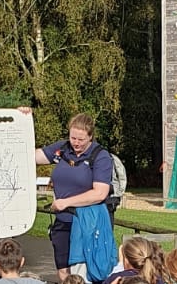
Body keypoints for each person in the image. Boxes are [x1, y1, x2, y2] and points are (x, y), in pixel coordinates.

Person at [29, 111, 114, 273]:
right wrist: (22, 121)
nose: (76, 143)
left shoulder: (101, 157)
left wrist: (65, 202)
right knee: (63, 270)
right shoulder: (62, 149)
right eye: (73, 138)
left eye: (81, 139)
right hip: (62, 220)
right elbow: (31, 156)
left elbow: (100, 193)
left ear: (90, 137)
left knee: (84, 272)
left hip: (87, 222)